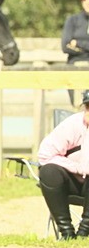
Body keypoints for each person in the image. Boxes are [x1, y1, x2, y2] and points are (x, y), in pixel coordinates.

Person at [36, 91, 89, 240]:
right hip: (70, 182)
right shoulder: (72, 125)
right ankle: (66, 232)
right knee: (49, 171)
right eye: (88, 107)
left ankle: (84, 232)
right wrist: (78, 168)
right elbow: (45, 155)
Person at [61, 0, 89, 104]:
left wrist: (78, 44)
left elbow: (72, 45)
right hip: (75, 67)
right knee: (78, 105)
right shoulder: (72, 20)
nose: (87, 1)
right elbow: (65, 46)